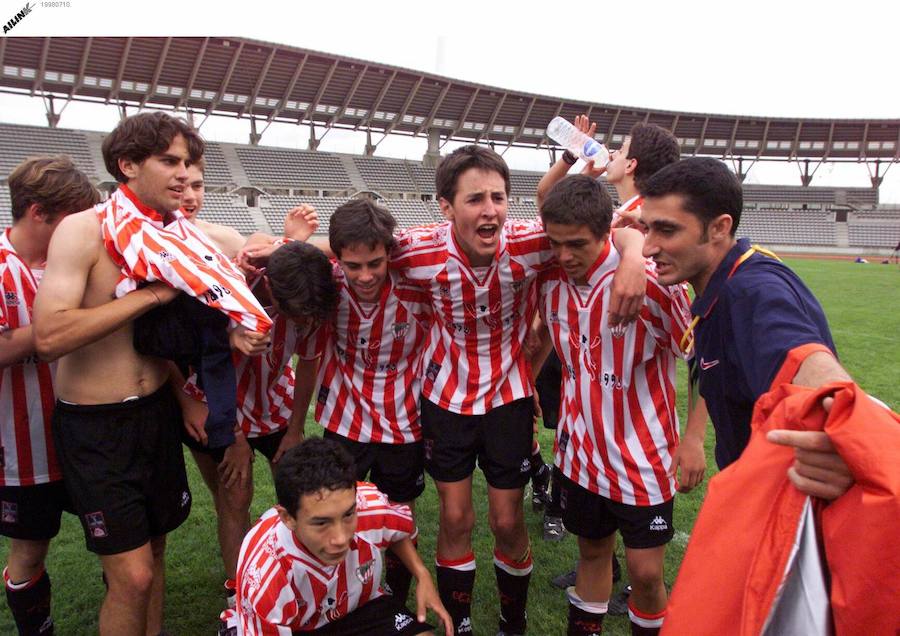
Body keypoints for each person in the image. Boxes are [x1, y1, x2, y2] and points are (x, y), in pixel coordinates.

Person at [32, 111, 270, 636]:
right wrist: (155, 293)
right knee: (133, 576)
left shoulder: (173, 237)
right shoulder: (85, 229)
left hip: (156, 414)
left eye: (188, 161)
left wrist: (225, 343)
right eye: (170, 161)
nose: (185, 173)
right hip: (95, 424)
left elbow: (167, 337)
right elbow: (49, 337)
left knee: (156, 552)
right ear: (128, 165)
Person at [534, 175, 702, 636]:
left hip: (642, 459)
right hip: (579, 455)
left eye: (577, 244)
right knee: (592, 556)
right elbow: (546, 337)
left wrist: (692, 438)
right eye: (556, 244)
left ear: (606, 233)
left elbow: (702, 358)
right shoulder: (551, 281)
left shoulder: (652, 285)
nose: (564, 255)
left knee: (646, 574)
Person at [640, 157, 854, 497]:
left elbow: (816, 370)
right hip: (757, 489)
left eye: (667, 230)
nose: (648, 247)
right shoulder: (725, 283)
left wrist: (851, 435)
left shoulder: (751, 292)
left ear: (719, 228)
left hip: (784, 507)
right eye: (646, 228)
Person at [178, 238, 336, 610]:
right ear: (274, 296)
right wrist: (233, 436)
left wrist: (297, 429)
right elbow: (211, 366)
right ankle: (240, 599)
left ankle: (298, 577)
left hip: (276, 403)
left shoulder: (311, 296)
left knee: (298, 492)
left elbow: (309, 363)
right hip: (219, 405)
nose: (306, 323)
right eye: (298, 316)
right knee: (235, 495)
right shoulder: (233, 292)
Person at [291, 199, 434, 605]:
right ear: (339, 260)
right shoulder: (329, 288)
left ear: (389, 253)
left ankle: (399, 600)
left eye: (375, 263)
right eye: (353, 266)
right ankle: (341, 597)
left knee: (400, 514)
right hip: (345, 420)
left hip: (404, 422)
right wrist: (296, 427)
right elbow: (309, 357)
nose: (366, 275)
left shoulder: (414, 284)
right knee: (336, 511)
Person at [0, 156, 100, 635]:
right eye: (69, 220)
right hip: (22, 448)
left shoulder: (76, 264)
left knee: (121, 539)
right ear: (39, 213)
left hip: (87, 434)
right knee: (29, 548)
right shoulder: (0, 267)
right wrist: (50, 332)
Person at [228, 437, 452, 635]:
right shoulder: (266, 578)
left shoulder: (367, 506)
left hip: (360, 610)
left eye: (347, 515)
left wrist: (422, 574)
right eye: (322, 523)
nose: (341, 538)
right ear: (288, 518)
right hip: (296, 629)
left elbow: (396, 532)